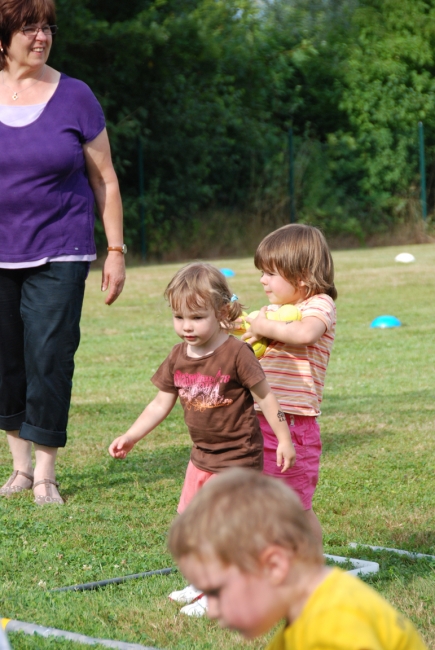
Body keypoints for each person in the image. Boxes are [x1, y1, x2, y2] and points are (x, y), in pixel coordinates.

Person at [109, 262, 296, 615]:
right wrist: (132, 436)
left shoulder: (236, 353)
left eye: (196, 317)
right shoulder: (178, 356)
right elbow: (159, 403)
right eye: (179, 318)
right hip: (201, 459)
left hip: (237, 460)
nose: (186, 327)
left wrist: (284, 439)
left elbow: (266, 397)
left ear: (222, 312)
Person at [0, 0, 126, 505]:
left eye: (47, 27)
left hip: (61, 246)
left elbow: (106, 179)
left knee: (49, 357)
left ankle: (47, 472)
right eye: (28, 28)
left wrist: (114, 250)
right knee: (7, 359)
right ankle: (19, 469)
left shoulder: (75, 96)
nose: (41, 36)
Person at [168, 468, 428, 650]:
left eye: (216, 591)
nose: (213, 610)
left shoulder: (336, 628)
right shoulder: (308, 615)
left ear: (274, 566)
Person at [243, 224, 337, 543]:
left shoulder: (318, 305)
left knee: (295, 504)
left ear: (302, 277)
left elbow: (305, 333)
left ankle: (309, 569)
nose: (262, 280)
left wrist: (263, 325)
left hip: (295, 423)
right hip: (257, 418)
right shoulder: (270, 312)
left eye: (270, 273)